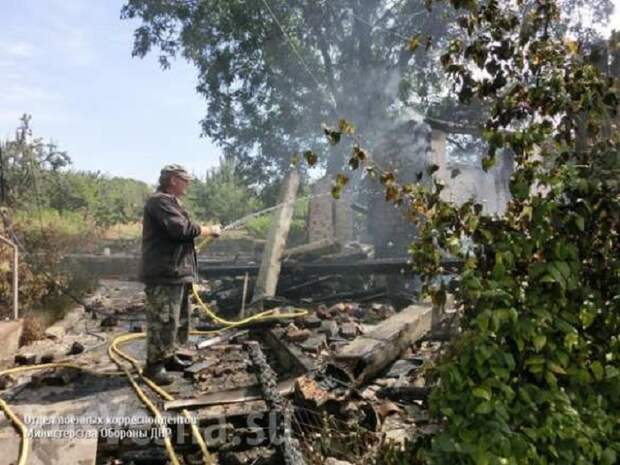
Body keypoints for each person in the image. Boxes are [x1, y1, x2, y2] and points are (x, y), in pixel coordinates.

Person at [139, 164, 222, 385]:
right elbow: (181, 230)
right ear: (173, 180)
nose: (189, 183)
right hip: (164, 274)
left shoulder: (172, 203)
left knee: (178, 319)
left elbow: (183, 231)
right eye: (185, 179)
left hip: (177, 274)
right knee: (163, 319)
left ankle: (170, 356)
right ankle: (153, 366)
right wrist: (208, 230)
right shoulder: (159, 201)